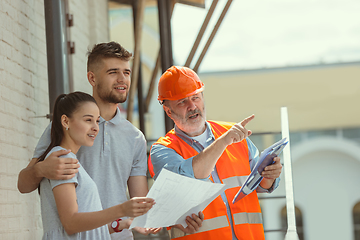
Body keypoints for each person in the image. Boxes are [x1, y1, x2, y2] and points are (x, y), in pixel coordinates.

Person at [18, 42, 202, 239]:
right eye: (113, 72)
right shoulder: (70, 127)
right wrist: (41, 169)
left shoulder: (135, 137)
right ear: (92, 78)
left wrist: (173, 219)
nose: (122, 79)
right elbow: (23, 184)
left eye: (127, 72)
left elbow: (139, 204)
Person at [148, 66, 283, 240]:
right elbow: (189, 181)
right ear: (168, 111)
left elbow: (260, 184)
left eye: (195, 98)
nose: (192, 106)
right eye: (182, 102)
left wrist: (270, 174)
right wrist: (223, 142)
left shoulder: (233, 133)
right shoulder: (163, 150)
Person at [38, 91, 154, 239]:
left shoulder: (71, 159)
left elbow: (85, 228)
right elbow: (71, 224)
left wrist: (120, 224)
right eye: (88, 120)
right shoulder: (63, 160)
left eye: (97, 121)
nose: (96, 128)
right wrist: (122, 209)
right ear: (66, 121)